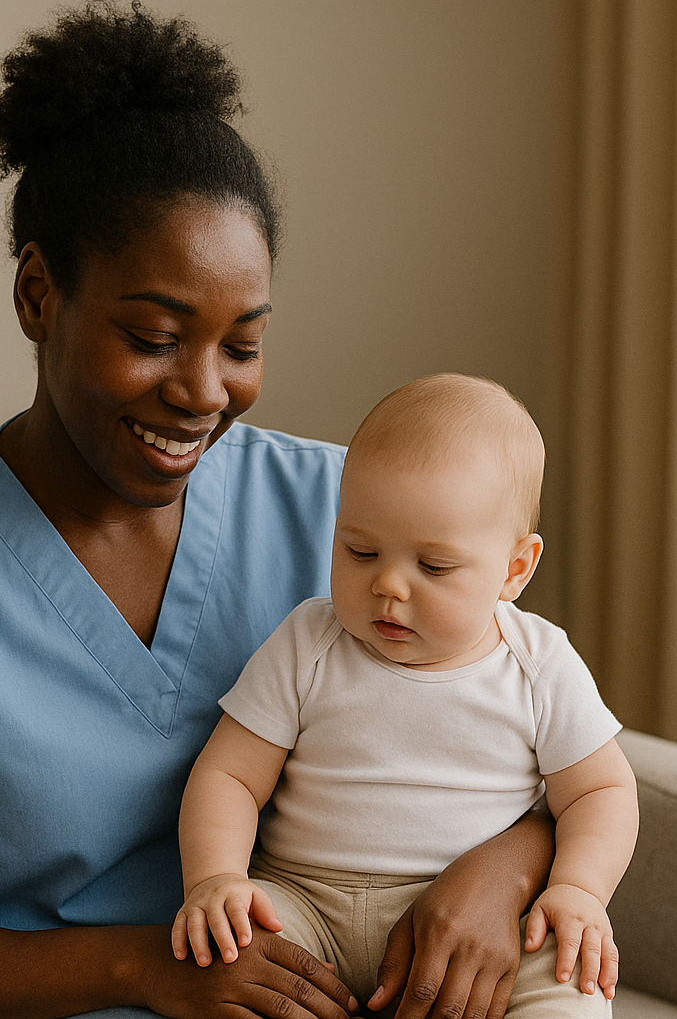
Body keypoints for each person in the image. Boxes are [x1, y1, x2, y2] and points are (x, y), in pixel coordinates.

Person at [0, 4, 559, 1019]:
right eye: (152, 333)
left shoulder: (345, 516)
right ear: (37, 295)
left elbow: (546, 741)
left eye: (241, 344)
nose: (201, 391)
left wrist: (500, 873)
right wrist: (143, 965)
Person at [171, 375, 639, 1017]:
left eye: (434, 567)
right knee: (233, 976)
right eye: (359, 551)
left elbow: (600, 791)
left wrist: (579, 889)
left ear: (515, 570)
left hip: (475, 923)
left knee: (570, 993)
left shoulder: (539, 663)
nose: (388, 586)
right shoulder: (310, 640)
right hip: (307, 905)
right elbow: (229, 774)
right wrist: (216, 879)